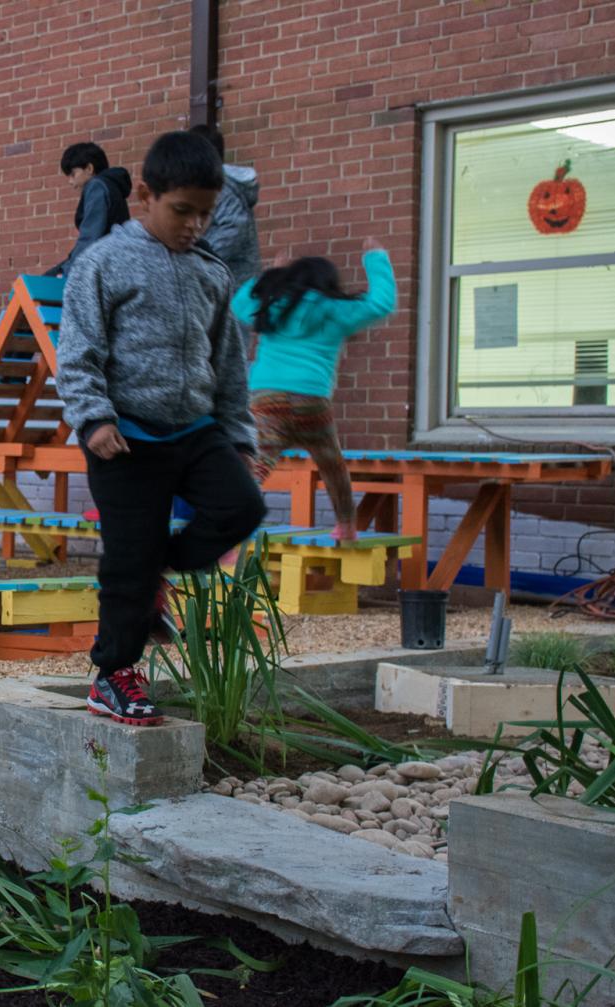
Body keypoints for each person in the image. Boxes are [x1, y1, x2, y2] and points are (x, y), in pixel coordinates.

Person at [56, 130, 267, 727]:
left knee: (241, 508)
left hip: (196, 431)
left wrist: (239, 437)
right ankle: (115, 674)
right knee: (127, 560)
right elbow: (77, 352)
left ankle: (157, 571)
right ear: (145, 195)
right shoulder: (103, 262)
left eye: (206, 212)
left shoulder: (211, 273)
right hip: (123, 438)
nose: (195, 224)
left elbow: (227, 364)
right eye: (183, 211)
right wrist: (92, 416)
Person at [233, 239, 397, 542]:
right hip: (312, 402)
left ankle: (231, 537)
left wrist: (270, 273)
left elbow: (239, 304)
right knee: (332, 465)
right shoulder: (334, 310)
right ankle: (347, 527)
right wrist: (376, 257)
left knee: (254, 468)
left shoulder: (273, 304)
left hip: (266, 401)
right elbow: (381, 303)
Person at [46, 141, 133, 278]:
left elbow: (90, 238)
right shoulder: (112, 187)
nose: (70, 182)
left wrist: (67, 272)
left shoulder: (97, 186)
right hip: (111, 264)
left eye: (73, 174)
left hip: (102, 268)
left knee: (39, 287)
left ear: (89, 169)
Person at [189, 124, 262, 286]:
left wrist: (196, 259)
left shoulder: (224, 188)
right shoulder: (217, 186)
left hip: (235, 290)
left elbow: (233, 228)